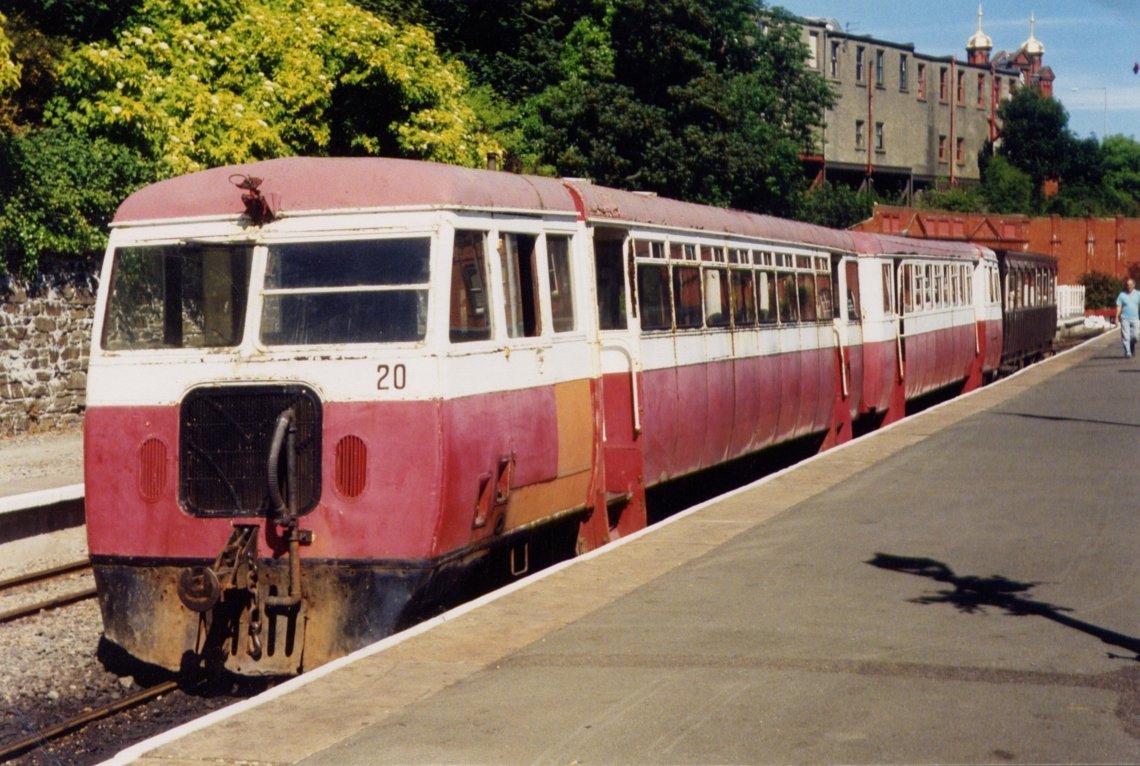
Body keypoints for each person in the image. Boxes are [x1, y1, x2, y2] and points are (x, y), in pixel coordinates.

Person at [1115, 278, 1140, 358]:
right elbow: (1119, 306)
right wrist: (1116, 317)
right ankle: (1128, 352)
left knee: (1135, 336)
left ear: (1134, 285)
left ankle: (1132, 345)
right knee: (1126, 336)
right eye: (1127, 285)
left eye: (1130, 285)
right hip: (1125, 318)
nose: (1129, 286)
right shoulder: (1122, 295)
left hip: (1135, 318)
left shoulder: (1138, 294)